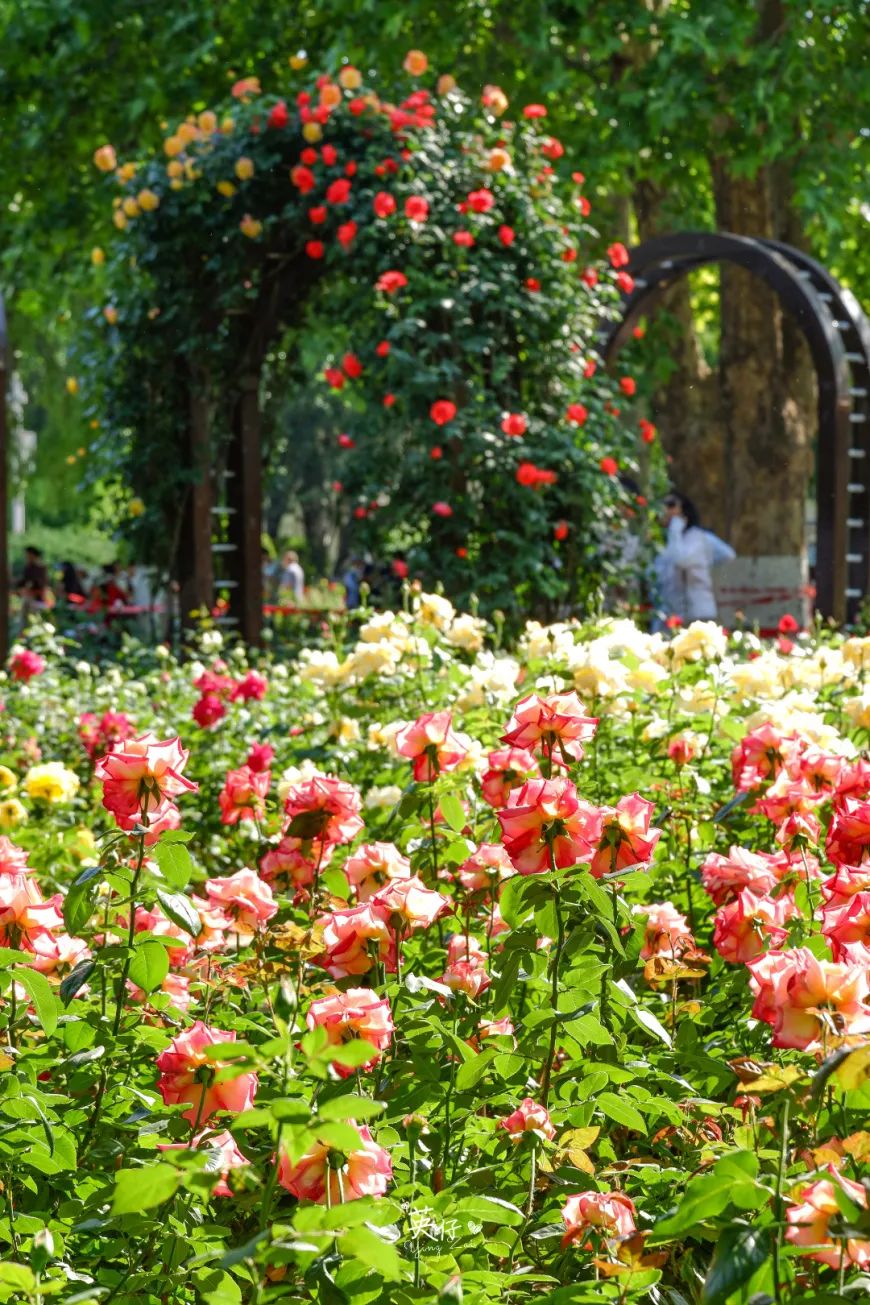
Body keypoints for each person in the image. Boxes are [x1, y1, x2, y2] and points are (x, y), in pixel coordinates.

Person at [655, 492, 735, 625]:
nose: (666, 510)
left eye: (671, 505)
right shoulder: (663, 539)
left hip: (697, 612)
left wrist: (705, 562)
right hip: (669, 612)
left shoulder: (698, 537)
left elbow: (728, 554)